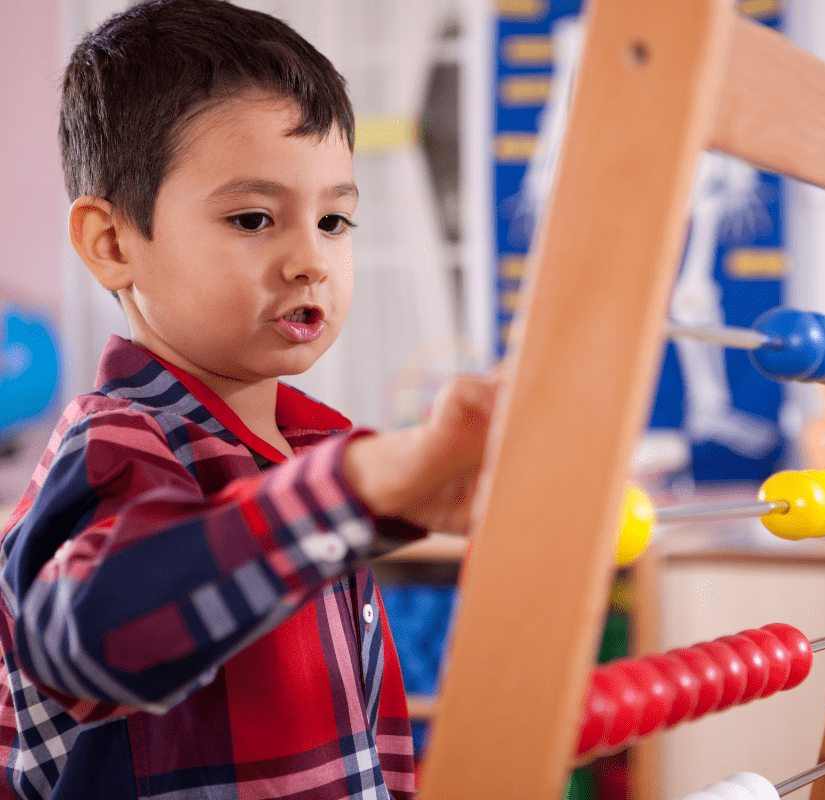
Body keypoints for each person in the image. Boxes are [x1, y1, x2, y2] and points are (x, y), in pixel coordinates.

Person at [0, 1, 498, 798]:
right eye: (254, 217)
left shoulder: (316, 456)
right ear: (113, 242)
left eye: (335, 219)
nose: (311, 259)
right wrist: (365, 487)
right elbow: (88, 638)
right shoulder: (115, 447)